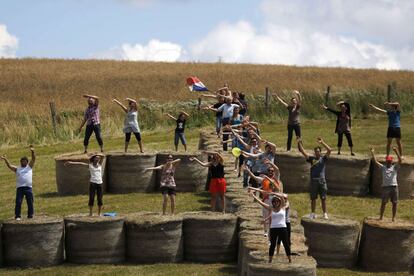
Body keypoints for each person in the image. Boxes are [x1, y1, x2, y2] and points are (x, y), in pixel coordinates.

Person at [248, 189, 291, 263]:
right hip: (273, 228)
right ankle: (270, 260)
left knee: (286, 244)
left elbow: (282, 196)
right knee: (272, 245)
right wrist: (253, 196)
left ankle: (289, 259)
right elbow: (261, 202)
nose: (276, 203)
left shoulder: (283, 207)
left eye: (277, 201)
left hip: (283, 228)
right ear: (272, 203)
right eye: (274, 202)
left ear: (279, 202)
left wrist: (274, 193)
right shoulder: (271, 208)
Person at [297, 137, 331, 219]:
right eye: (316, 152)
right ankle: (312, 213)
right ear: (314, 152)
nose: (317, 153)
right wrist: (299, 143)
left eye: (318, 151)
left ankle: (325, 213)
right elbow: (303, 152)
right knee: (313, 199)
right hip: (313, 181)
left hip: (322, 181)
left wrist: (322, 142)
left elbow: (329, 150)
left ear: (320, 152)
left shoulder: (323, 159)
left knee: (323, 198)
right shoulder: (312, 159)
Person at [245, 162, 282, 236]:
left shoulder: (276, 178)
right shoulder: (263, 180)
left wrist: (270, 163)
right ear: (267, 172)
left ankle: (272, 230)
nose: (271, 172)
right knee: (265, 215)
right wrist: (248, 170)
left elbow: (277, 169)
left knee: (272, 215)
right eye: (269, 171)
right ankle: (266, 231)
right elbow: (254, 177)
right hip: (266, 199)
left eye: (272, 171)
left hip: (274, 200)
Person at [0, 145, 36, 220]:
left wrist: (32, 151)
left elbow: (33, 158)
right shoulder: (17, 169)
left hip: (28, 187)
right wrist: (5, 159)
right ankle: (17, 216)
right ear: (20, 162)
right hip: (20, 188)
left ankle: (30, 215)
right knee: (18, 202)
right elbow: (9, 166)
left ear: (27, 162)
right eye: (22, 161)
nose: (24, 162)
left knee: (30, 202)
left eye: (25, 161)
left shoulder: (29, 167)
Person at [370, 146, 402, 222]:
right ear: (386, 161)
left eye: (390, 161)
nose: (389, 162)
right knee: (383, 203)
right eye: (388, 161)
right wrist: (372, 152)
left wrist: (396, 151)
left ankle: (393, 218)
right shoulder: (383, 167)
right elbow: (375, 161)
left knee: (394, 203)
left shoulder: (395, 167)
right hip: (386, 187)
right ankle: (381, 217)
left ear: (392, 162)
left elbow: (400, 160)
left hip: (394, 187)